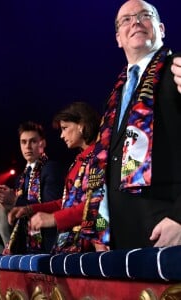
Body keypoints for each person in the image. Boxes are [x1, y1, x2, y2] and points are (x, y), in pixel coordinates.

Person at [87, 0, 181, 250]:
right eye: (126, 20)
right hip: (120, 238)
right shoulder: (115, 96)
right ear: (118, 38)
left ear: (161, 28)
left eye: (144, 15)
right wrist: (101, 231)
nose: (136, 22)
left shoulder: (177, 69)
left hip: (169, 228)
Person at [7, 102, 109, 254]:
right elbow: (66, 202)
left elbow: (95, 205)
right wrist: (30, 209)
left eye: (65, 128)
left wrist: (53, 219)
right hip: (71, 246)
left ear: (81, 125)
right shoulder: (78, 162)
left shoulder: (99, 157)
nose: (61, 135)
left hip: (92, 247)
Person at [0, 121, 65, 253]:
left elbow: (52, 207)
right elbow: (20, 214)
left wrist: (14, 200)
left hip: (49, 246)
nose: (28, 146)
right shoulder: (21, 177)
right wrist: (7, 203)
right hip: (27, 246)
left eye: (33, 141)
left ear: (43, 143)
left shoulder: (51, 168)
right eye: (23, 142)